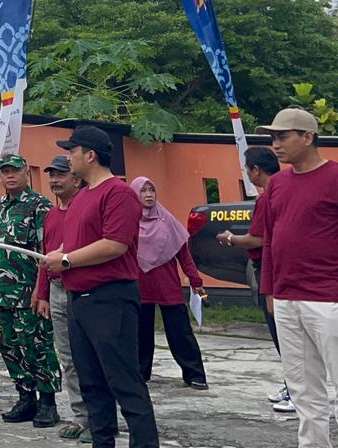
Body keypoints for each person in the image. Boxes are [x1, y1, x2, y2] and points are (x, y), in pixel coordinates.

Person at [43, 125, 158, 448]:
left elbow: (115, 245)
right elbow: (78, 242)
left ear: (90, 155)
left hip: (111, 300)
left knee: (124, 381)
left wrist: (66, 260)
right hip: (79, 300)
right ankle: (102, 440)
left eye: (72, 152)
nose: (69, 158)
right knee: (91, 382)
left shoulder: (118, 193)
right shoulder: (82, 197)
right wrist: (59, 255)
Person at [257, 108, 338, 448]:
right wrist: (269, 289)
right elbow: (270, 238)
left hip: (330, 297)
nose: (275, 145)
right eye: (272, 138)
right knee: (301, 387)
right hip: (286, 298)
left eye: (282, 137)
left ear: (308, 137)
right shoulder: (278, 184)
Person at [216, 146, 292, 413]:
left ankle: (295, 389)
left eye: (247, 169)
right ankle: (292, 384)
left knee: (281, 331)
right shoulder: (286, 190)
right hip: (286, 268)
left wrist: (230, 239)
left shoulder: (266, 197)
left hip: (269, 268)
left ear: (256, 170)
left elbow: (259, 238)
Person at [0, 154, 60, 426]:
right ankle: (25, 397)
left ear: (26, 172)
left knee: (37, 347)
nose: (9, 175)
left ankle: (47, 402)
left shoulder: (39, 206)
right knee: (10, 348)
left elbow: (47, 251)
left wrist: (41, 291)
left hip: (29, 292)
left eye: (14, 170)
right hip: (3, 293)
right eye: (5, 171)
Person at [131, 176, 208, 389]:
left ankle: (195, 375)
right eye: (143, 191)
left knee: (180, 332)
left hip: (167, 285)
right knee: (140, 334)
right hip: (139, 285)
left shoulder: (167, 220)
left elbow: (184, 255)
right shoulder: (128, 221)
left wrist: (195, 280)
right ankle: (140, 375)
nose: (148, 195)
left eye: (151, 190)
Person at [34, 156, 90, 440]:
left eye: (61, 175)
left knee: (90, 357)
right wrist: (41, 292)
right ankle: (80, 417)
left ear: (76, 179)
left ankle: (101, 417)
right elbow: (47, 257)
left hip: (83, 289)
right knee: (67, 358)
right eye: (51, 175)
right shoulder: (51, 215)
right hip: (56, 291)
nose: (55, 181)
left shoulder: (86, 210)